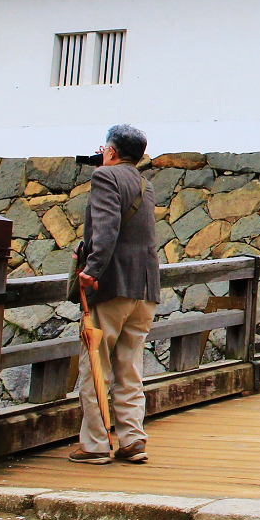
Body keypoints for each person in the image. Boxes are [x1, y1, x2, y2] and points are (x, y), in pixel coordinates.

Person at [70, 124, 160, 465]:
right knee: (130, 366)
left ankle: (95, 444)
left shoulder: (104, 177)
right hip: (144, 286)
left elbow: (106, 231)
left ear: (110, 151)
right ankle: (133, 439)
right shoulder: (145, 185)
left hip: (112, 285)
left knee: (96, 366)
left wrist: (91, 270)